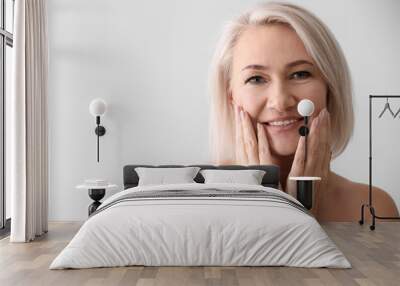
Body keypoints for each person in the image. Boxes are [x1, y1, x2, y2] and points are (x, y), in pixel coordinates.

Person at [208, 2, 399, 221]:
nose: (280, 102)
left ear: (330, 87)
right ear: (231, 96)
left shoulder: (375, 208)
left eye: (300, 74)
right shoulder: (202, 207)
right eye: (256, 78)